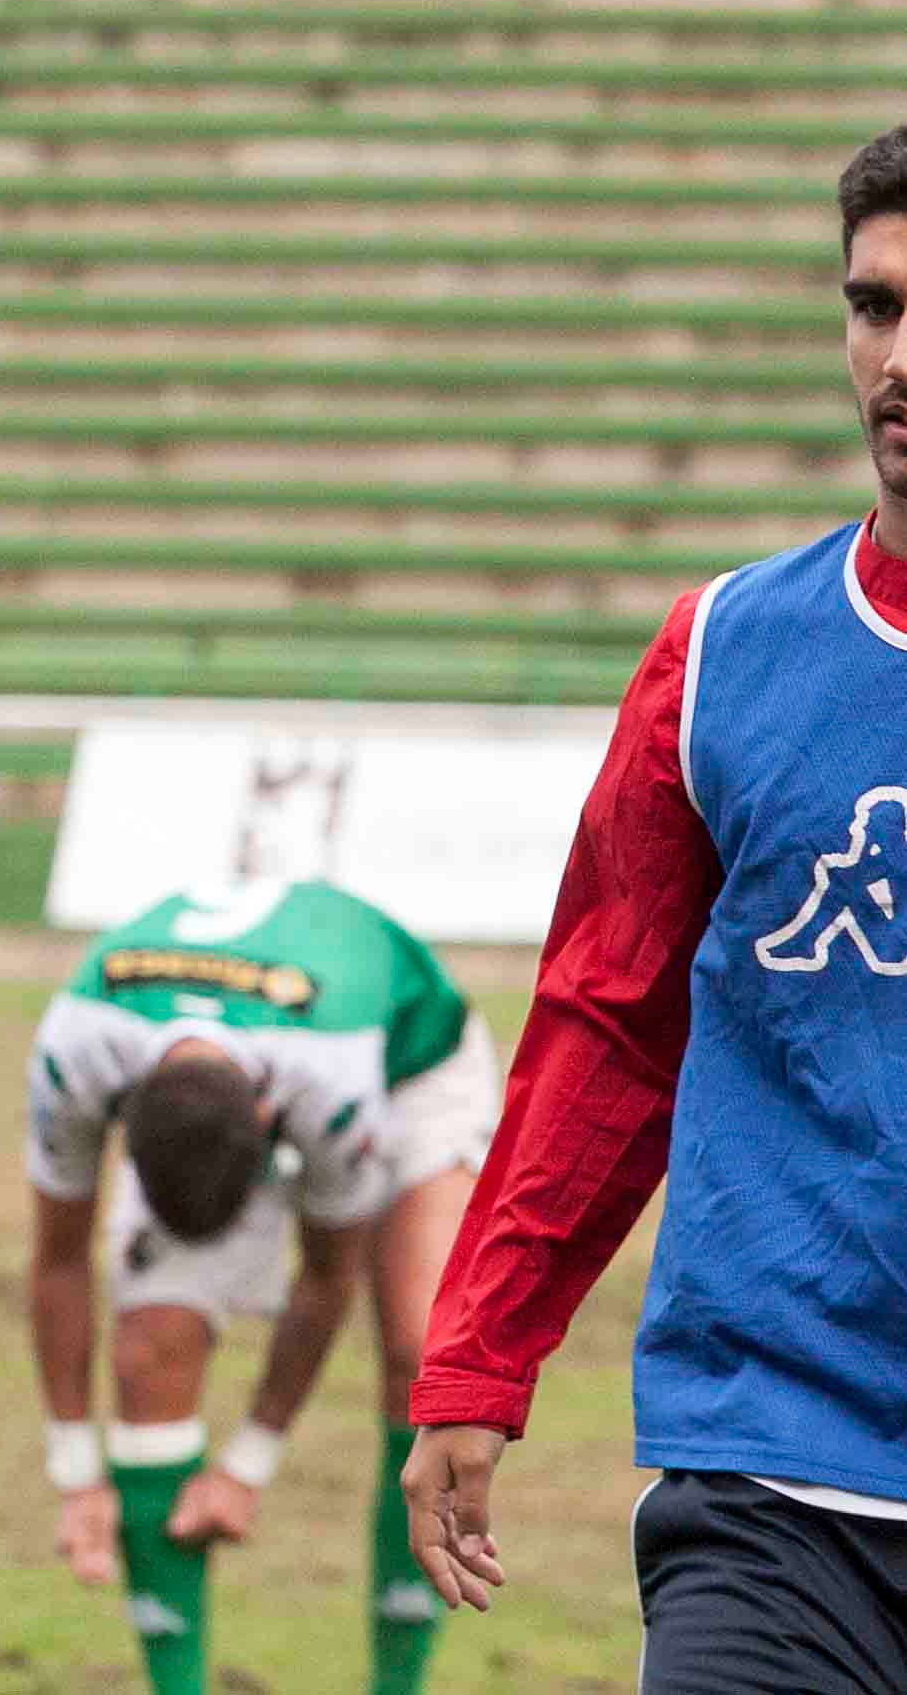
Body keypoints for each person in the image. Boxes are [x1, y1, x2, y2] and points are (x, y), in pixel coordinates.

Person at [403, 122, 907, 1689]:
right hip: (775, 1476)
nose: (899, 355)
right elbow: (608, 1027)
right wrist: (480, 1349)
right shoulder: (723, 658)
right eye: (875, 305)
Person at [25, 877, 498, 1695]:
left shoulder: (329, 1085)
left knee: (424, 1354)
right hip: (231, 1056)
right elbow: (59, 1261)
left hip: (411, 1064)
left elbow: (324, 1278)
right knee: (148, 1349)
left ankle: (397, 1685)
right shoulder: (74, 1049)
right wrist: (75, 1472)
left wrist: (247, 1462)